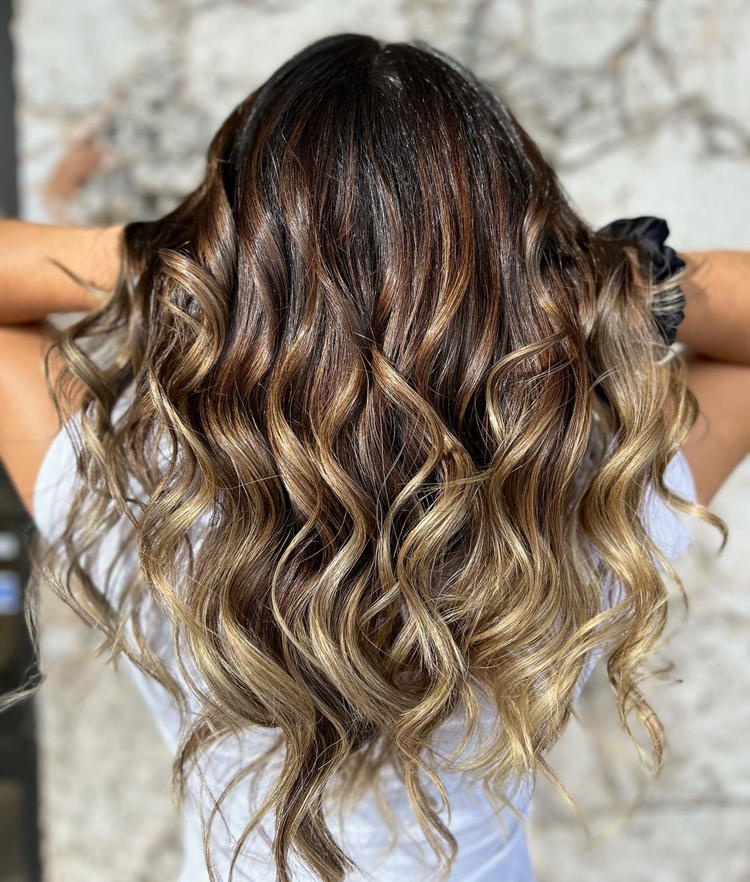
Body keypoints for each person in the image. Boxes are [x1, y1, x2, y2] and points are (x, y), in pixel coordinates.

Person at [0, 34, 748, 882]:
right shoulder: (592, 492)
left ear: (233, 251)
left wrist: (170, 259)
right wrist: (605, 277)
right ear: (517, 261)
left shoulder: (141, 487)